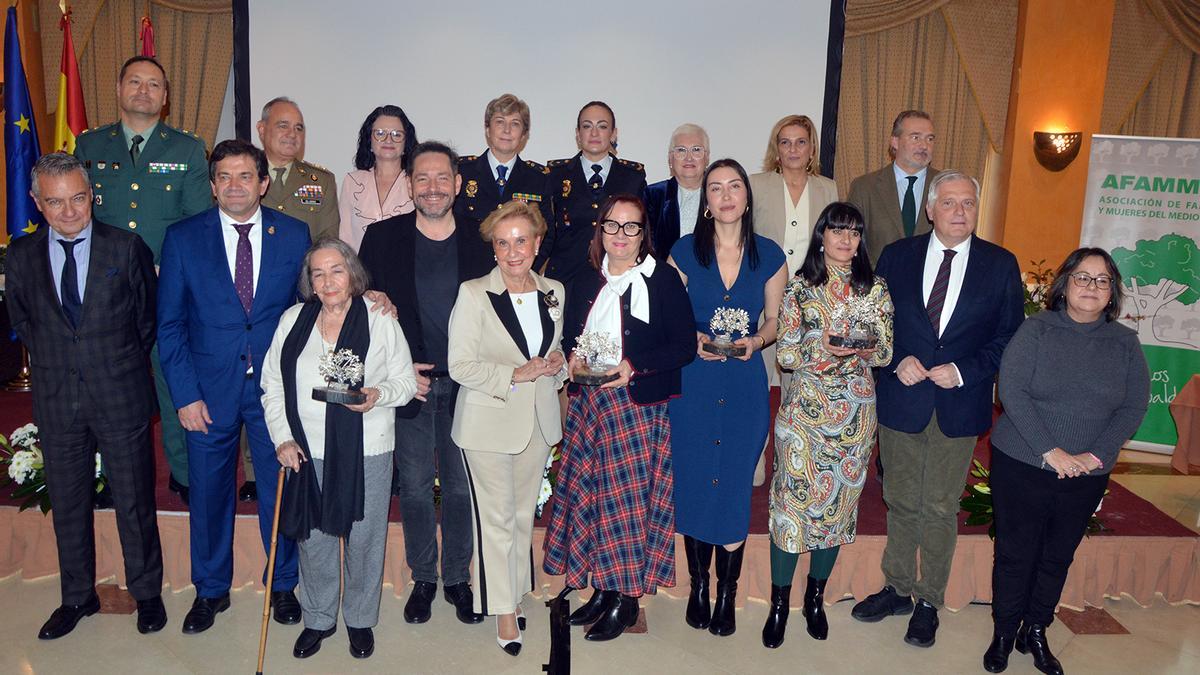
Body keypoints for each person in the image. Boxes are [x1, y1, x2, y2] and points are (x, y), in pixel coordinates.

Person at [851, 170, 1024, 648]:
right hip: (902, 398)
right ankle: (897, 588)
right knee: (901, 500)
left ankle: (928, 600)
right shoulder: (897, 256)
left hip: (958, 401)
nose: (959, 211)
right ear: (930, 210)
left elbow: (1010, 336)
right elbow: (874, 324)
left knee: (941, 505)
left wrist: (965, 369)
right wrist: (893, 358)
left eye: (968, 203)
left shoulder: (1000, 264)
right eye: (949, 203)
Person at [157, 139, 314, 634]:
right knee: (207, 493)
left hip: (274, 391)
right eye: (224, 177)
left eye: (245, 176)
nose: (234, 186)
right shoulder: (183, 238)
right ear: (212, 185)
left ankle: (283, 582)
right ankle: (210, 590)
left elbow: (309, 311)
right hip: (206, 390)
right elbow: (170, 326)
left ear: (263, 182)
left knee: (279, 487)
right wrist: (184, 394)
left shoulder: (294, 234)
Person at [7, 152, 165, 638]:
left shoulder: (126, 248)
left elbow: (146, 323)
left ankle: (147, 593)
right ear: (37, 202)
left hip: (120, 395)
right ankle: (76, 597)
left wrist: (105, 363)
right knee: (69, 503)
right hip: (57, 401)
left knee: (135, 502)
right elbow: (24, 324)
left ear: (92, 195)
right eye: (55, 202)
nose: (70, 211)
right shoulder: (21, 256)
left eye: (78, 198)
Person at [983, 249, 1148, 675]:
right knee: (1016, 554)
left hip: (1087, 471)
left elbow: (1133, 407)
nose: (1091, 287)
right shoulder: (1035, 331)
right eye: (1082, 277)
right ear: (1064, 284)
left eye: (1102, 280)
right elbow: (1013, 392)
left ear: (1112, 292)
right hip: (1023, 461)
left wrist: (1095, 456)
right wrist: (1050, 451)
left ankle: (1035, 629)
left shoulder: (1126, 343)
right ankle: (1003, 632)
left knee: (1058, 555)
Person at [543, 195, 695, 642]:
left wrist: (634, 366)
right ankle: (603, 591)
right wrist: (571, 357)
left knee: (625, 508)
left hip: (635, 408)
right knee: (594, 501)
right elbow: (573, 335)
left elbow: (683, 347)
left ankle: (625, 600)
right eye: (613, 226)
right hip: (590, 407)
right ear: (600, 231)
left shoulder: (663, 280)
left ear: (643, 233)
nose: (621, 236)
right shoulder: (585, 278)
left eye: (631, 228)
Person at [261, 238, 418, 661]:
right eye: (318, 273)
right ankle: (318, 617)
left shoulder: (380, 318)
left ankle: (361, 619)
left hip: (368, 446)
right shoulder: (293, 320)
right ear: (309, 281)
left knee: (365, 538)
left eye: (336, 270)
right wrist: (283, 437)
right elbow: (272, 384)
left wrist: (376, 394)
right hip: (306, 447)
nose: (328, 281)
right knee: (314, 538)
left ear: (353, 274)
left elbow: (406, 383)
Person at [357, 141, 494, 626]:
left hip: (467, 387)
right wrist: (397, 368)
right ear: (409, 185)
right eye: (422, 178)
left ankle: (457, 576)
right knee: (414, 488)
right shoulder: (381, 237)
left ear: (457, 184)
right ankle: (424, 578)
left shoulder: (484, 242)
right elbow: (362, 310)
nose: (432, 187)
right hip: (409, 384)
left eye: (442, 178)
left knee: (460, 489)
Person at [73, 54, 211, 505]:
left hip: (166, 290)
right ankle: (116, 477)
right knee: (111, 389)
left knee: (174, 384)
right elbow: (78, 218)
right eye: (135, 82)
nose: (144, 91)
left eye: (154, 85)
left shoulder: (187, 149)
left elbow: (197, 224)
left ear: (165, 98)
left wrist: (165, 271)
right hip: (105, 296)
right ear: (118, 89)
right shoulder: (90, 146)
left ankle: (186, 476)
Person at [761, 202, 894, 649]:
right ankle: (781, 604)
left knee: (836, 511)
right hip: (804, 414)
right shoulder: (800, 288)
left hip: (855, 417)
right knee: (791, 511)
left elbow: (885, 353)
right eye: (837, 231)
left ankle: (815, 599)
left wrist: (859, 347)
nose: (845, 240)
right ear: (821, 236)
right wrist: (826, 350)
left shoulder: (875, 289)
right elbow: (785, 354)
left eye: (853, 232)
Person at [668, 159, 788, 637]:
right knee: (696, 482)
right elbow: (671, 317)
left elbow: (777, 320)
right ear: (706, 201)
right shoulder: (682, 252)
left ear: (746, 195)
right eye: (715, 188)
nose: (725, 195)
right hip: (694, 384)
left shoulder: (771, 255)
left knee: (735, 487)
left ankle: (727, 593)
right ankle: (699, 585)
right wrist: (692, 340)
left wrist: (755, 343)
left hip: (743, 385)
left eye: (734, 186)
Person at [447, 200, 566, 656]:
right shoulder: (474, 292)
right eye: (502, 242)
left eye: (521, 240)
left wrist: (556, 367)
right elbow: (460, 365)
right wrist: (514, 375)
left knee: (520, 518)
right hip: (487, 422)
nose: (512, 251)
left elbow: (550, 358)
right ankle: (500, 608)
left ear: (536, 244)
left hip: (537, 422)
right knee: (495, 520)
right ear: (493, 248)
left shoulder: (554, 290)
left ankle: (513, 593)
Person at [749, 114, 840, 486]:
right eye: (785, 142)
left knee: (797, 389)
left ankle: (791, 467)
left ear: (812, 147)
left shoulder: (828, 189)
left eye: (800, 142)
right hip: (761, 300)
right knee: (756, 385)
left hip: (809, 304)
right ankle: (754, 465)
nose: (792, 149)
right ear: (776, 147)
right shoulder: (756, 185)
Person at [542, 101, 647, 291]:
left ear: (613, 133)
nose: (594, 133)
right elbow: (546, 231)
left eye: (602, 126)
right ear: (577, 133)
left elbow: (642, 231)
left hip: (617, 279)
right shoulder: (555, 175)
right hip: (566, 280)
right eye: (587, 126)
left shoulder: (633, 177)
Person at [847, 110, 940, 263]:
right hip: (877, 283)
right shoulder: (864, 187)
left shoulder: (948, 187)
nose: (924, 145)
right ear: (895, 142)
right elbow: (850, 243)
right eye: (915, 137)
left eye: (930, 139)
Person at [455, 93, 552, 233]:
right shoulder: (462, 172)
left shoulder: (539, 179)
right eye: (500, 122)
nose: (507, 130)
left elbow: (547, 233)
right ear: (487, 129)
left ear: (524, 135)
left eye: (515, 124)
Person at [258, 97, 340, 242]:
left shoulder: (322, 181)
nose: (292, 134)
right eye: (283, 126)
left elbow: (328, 241)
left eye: (298, 128)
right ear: (262, 129)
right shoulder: (244, 177)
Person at [338, 104, 417, 252]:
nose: (388, 140)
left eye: (397, 134)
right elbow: (345, 238)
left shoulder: (417, 182)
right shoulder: (352, 182)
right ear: (369, 140)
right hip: (360, 272)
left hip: (406, 271)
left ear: (406, 143)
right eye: (380, 133)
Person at [645, 123, 709, 256]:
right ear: (670, 159)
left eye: (696, 150)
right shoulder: (653, 195)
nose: (689, 157)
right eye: (681, 150)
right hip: (663, 273)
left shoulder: (719, 196)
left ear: (707, 158)